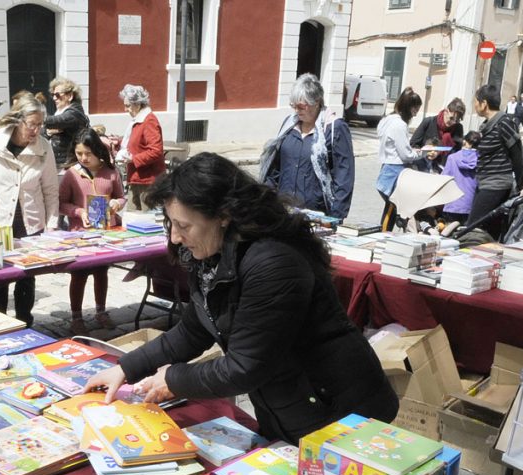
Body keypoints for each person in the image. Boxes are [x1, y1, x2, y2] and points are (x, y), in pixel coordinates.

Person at [85, 153, 399, 443]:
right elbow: (193, 330)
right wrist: (125, 368)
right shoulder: (211, 255)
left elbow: (245, 368)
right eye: (172, 224)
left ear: (222, 216)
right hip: (290, 407)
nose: (175, 237)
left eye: (183, 225)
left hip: (340, 414)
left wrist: (174, 378)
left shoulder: (273, 262)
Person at [0, 94, 58, 326]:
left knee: (27, 277)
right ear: (19, 120)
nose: (36, 130)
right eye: (32, 124)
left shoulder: (44, 148)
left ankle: (24, 321)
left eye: (40, 125)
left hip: (30, 221)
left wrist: (52, 225)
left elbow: (50, 189)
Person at [260, 73, 354, 219]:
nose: (297, 110)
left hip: (317, 215)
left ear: (316, 102)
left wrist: (336, 217)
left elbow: (344, 176)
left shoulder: (334, 128)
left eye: (301, 106)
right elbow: (276, 168)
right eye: (293, 105)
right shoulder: (289, 125)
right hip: (285, 211)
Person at [59, 128, 125, 334]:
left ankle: (101, 311)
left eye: (88, 153)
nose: (84, 158)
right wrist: (78, 211)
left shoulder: (111, 173)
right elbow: (61, 204)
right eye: (79, 154)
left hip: (106, 233)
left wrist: (116, 203)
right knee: (78, 276)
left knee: (101, 272)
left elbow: (122, 197)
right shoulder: (72, 174)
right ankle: (76, 316)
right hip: (79, 234)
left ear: (97, 150)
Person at [468, 84, 523, 236]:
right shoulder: (487, 126)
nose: (474, 105)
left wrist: (522, 186)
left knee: (472, 230)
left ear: (484, 103)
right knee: (489, 231)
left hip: (496, 185)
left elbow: (518, 156)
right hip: (485, 183)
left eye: (475, 101)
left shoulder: (504, 123)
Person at [118, 84, 166, 211]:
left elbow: (156, 151)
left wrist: (133, 159)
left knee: (148, 221)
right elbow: (135, 142)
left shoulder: (149, 121)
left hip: (148, 181)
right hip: (137, 179)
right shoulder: (138, 120)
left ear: (138, 104)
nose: (125, 109)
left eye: (128, 106)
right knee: (132, 219)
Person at [376, 87, 423, 198]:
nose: (415, 114)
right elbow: (406, 155)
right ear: (409, 108)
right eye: (415, 110)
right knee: (397, 208)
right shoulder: (399, 125)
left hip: (386, 168)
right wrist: (421, 153)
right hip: (395, 171)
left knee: (390, 209)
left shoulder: (387, 119)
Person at [44, 77, 89, 169]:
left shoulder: (74, 113)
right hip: (58, 163)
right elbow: (42, 132)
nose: (54, 98)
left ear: (70, 96)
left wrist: (35, 118)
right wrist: (48, 132)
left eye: (57, 95)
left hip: (69, 165)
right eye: (52, 95)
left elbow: (58, 120)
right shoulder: (60, 112)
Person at [441, 131, 481, 224]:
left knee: (450, 232)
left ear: (464, 141)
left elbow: (445, 178)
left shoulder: (452, 158)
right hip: (471, 204)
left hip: (453, 202)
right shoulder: (481, 159)